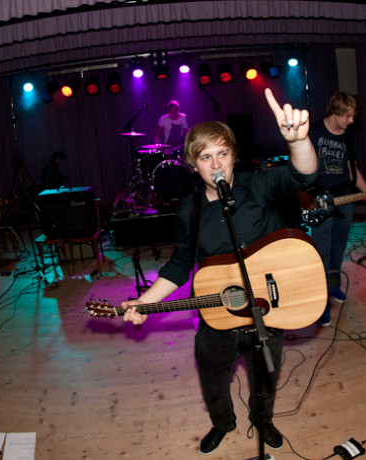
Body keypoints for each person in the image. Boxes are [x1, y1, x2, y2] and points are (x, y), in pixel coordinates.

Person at [123, 89, 317, 455]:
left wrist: (298, 141)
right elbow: (180, 265)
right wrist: (143, 302)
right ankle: (222, 423)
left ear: (233, 157)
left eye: (222, 154)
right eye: (205, 157)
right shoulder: (189, 210)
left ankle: (263, 420)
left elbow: (302, 175)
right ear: (193, 164)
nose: (216, 164)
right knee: (212, 376)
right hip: (217, 314)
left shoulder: (258, 186)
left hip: (267, 309)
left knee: (265, 377)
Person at [307, 91, 366, 327]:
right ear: (335, 112)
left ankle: (333, 285)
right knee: (322, 251)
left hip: (345, 198)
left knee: (338, 247)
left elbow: (351, 168)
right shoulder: (314, 131)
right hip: (320, 200)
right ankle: (321, 303)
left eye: (353, 116)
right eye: (348, 116)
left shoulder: (348, 136)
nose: (351, 120)